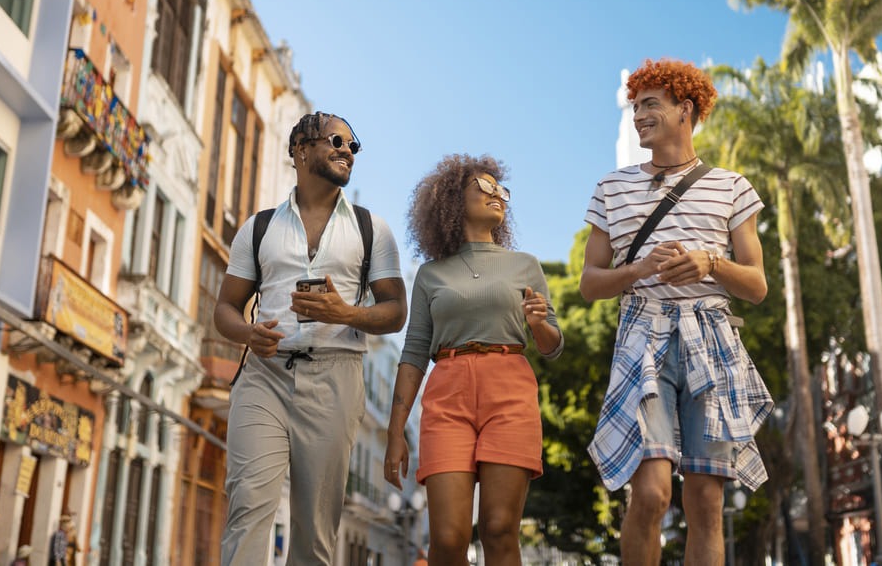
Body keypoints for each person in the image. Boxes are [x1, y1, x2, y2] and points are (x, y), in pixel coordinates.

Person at [580, 58, 774, 565]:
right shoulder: (611, 188)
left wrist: (709, 262)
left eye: (650, 104)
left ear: (684, 108)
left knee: (707, 503)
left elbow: (756, 285)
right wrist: (640, 269)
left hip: (712, 338)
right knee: (651, 494)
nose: (638, 115)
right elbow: (589, 284)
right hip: (643, 336)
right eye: (634, 106)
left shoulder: (732, 187)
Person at [214, 112, 407, 565]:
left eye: (353, 145)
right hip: (264, 374)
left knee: (315, 533)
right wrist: (248, 333)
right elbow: (224, 308)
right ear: (301, 149)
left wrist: (346, 313)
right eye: (336, 140)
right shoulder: (257, 227)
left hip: (335, 379)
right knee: (247, 507)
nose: (347, 150)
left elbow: (397, 310)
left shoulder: (372, 230)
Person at [385, 154, 563, 566]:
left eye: (500, 189)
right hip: (448, 395)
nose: (496, 194)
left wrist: (538, 324)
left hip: (510, 391)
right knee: (447, 539)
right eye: (484, 187)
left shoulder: (526, 265)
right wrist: (396, 432)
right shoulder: (431, 274)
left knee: (500, 530)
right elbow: (413, 354)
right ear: (451, 200)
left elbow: (553, 345)